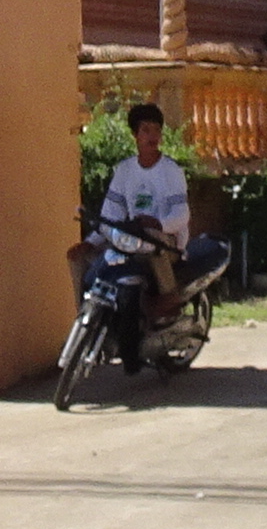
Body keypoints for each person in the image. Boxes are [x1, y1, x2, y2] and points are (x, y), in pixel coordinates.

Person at [84, 105, 230, 350]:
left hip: (167, 242)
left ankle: (168, 300)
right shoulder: (124, 170)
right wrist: (90, 242)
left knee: (152, 238)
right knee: (78, 257)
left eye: (156, 130)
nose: (152, 136)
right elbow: (110, 214)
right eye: (146, 130)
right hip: (133, 240)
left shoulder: (171, 171)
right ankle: (84, 311)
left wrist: (159, 224)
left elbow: (181, 215)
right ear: (135, 135)